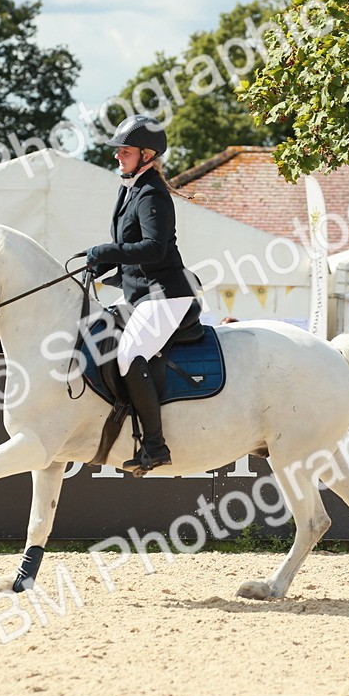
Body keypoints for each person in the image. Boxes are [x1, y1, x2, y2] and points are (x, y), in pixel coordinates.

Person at [84, 114, 200, 474]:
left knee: (130, 354)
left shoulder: (152, 194)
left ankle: (155, 445)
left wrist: (107, 252)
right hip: (139, 293)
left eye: (125, 150)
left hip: (166, 295)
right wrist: (104, 266)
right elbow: (128, 247)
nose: (118, 155)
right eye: (118, 149)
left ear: (147, 154)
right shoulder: (129, 189)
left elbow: (153, 249)